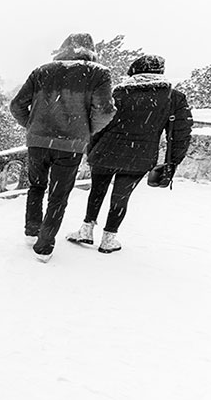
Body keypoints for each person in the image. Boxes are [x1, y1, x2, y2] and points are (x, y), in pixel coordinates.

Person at [67, 54, 193, 253]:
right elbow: (180, 134)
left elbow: (98, 123)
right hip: (140, 156)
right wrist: (174, 161)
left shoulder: (118, 93)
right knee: (121, 196)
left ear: (134, 71)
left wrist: (91, 150)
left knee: (97, 191)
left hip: (105, 151)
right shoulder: (174, 98)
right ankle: (109, 239)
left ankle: (86, 230)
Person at [9, 32, 115, 262]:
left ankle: (32, 230)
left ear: (64, 47)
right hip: (70, 146)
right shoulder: (98, 74)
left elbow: (17, 105)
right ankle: (44, 246)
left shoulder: (42, 71)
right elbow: (105, 111)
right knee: (58, 195)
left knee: (36, 186)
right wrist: (85, 130)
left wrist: (33, 126)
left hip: (37, 142)